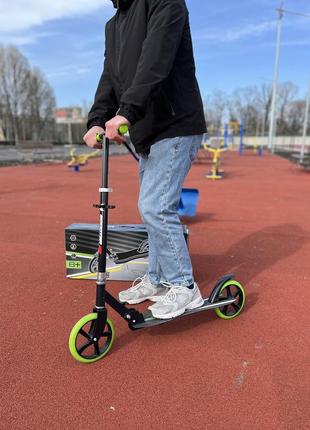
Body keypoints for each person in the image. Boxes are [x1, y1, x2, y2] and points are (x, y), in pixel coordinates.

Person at [84, 0, 207, 319]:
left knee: (156, 207)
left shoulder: (166, 3)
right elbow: (110, 76)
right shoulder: (113, 25)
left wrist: (127, 112)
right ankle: (157, 278)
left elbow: (156, 60)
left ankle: (184, 287)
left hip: (176, 123)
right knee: (151, 209)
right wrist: (97, 119)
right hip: (147, 131)